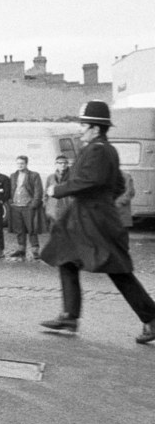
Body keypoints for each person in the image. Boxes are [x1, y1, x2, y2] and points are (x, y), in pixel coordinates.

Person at [39, 101, 155, 343]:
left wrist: (56, 190)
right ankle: (69, 315)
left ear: (95, 127)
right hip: (89, 218)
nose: (80, 129)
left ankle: (152, 319)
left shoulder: (98, 150)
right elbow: (118, 185)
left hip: (94, 222)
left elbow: (87, 182)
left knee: (118, 271)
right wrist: (102, 202)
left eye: (83, 124)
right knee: (66, 258)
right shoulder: (102, 149)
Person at [6, 156, 44, 261]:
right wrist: (10, 201)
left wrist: (33, 204)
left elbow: (38, 191)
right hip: (16, 206)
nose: (20, 165)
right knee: (19, 229)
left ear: (26, 164)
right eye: (18, 163)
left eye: (22, 163)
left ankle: (35, 250)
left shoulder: (34, 175)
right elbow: (10, 189)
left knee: (32, 228)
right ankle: (21, 249)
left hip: (28, 206)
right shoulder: (13, 176)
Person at [44, 155, 71, 227]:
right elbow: (46, 194)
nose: (63, 164)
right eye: (60, 163)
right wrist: (47, 206)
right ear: (56, 164)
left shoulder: (72, 177)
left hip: (68, 209)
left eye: (65, 163)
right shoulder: (51, 178)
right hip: (54, 210)